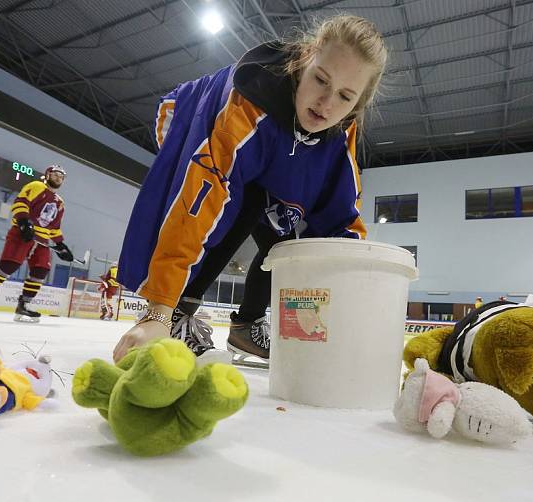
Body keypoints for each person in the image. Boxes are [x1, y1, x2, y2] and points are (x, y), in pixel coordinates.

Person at [112, 14, 388, 363]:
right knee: (238, 203)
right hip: (188, 117)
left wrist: (353, 314)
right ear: (305, 61)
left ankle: (247, 324)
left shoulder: (342, 129)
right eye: (320, 79)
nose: (326, 103)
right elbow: (198, 201)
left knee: (289, 229)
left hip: (273, 152)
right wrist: (158, 313)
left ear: (357, 104)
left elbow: (341, 220)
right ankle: (179, 313)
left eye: (346, 96)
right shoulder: (248, 105)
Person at [0, 165, 74, 322]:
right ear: (47, 175)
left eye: (61, 177)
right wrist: (24, 221)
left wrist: (61, 245)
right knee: (9, 265)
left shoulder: (60, 203)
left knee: (41, 270)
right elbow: (21, 202)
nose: (58, 178)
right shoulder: (36, 186)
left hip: (42, 241)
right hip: (23, 234)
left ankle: (24, 305)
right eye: (55, 175)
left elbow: (54, 227)